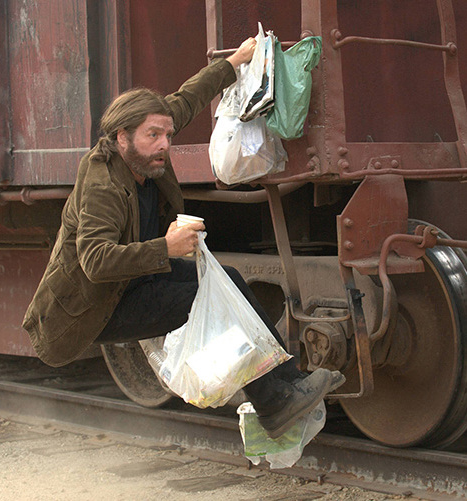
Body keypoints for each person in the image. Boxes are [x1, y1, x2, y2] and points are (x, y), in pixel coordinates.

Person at [22, 38, 343, 439]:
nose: (164, 144)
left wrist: (236, 62)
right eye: (153, 136)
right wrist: (166, 248)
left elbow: (187, 98)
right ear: (122, 137)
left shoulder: (144, 146)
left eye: (167, 135)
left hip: (132, 280)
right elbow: (96, 261)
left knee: (227, 281)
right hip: (96, 305)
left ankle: (289, 384)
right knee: (205, 299)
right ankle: (273, 403)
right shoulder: (103, 183)